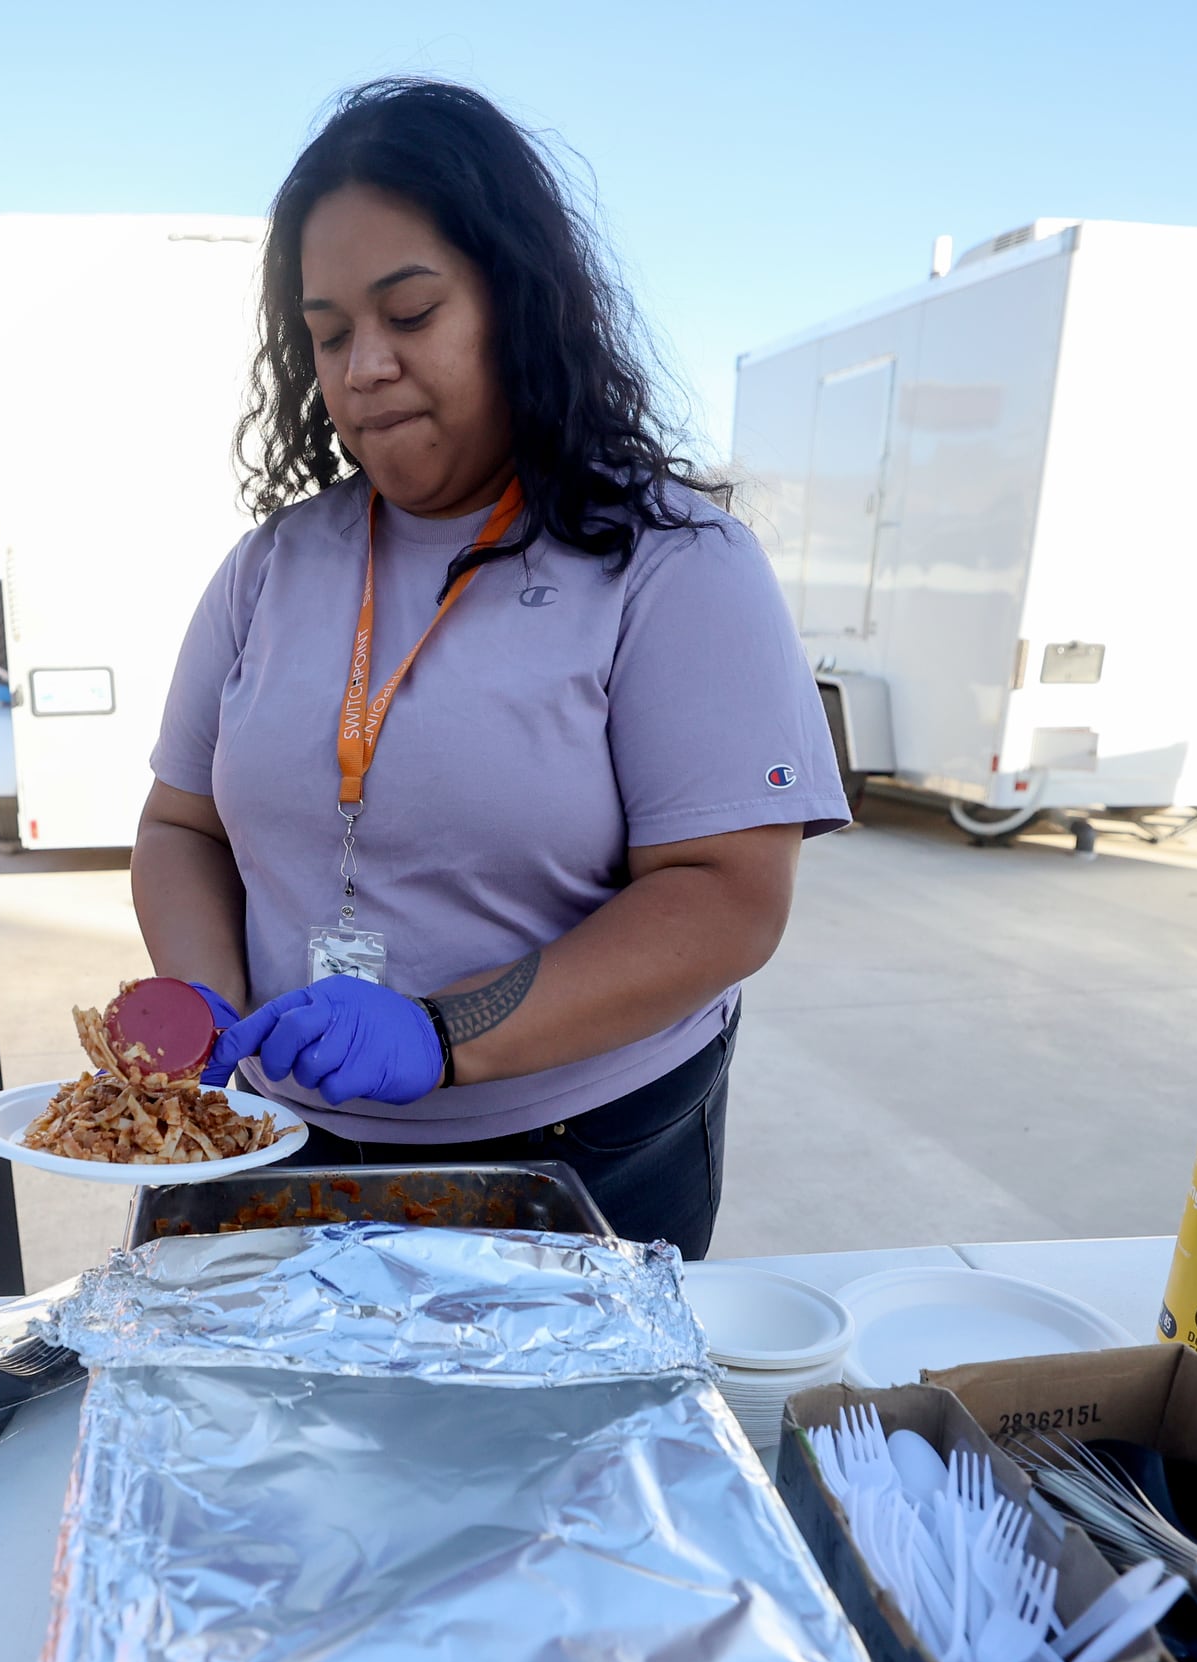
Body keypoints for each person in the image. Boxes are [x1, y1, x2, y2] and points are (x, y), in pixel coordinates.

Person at [132, 79, 845, 1256]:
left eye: (409, 313)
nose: (363, 368)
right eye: (327, 332)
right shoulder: (270, 568)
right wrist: (217, 1018)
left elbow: (726, 895)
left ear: (519, 304)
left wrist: (439, 1033)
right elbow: (181, 826)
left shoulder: (672, 564)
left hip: (574, 1154)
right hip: (277, 1143)